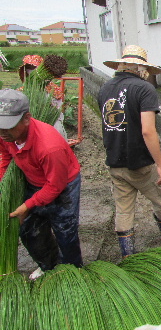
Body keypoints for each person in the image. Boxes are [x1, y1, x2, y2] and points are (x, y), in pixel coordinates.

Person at [98, 45, 161, 258]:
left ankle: (127, 254)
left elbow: (108, 125)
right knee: (160, 198)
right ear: (141, 68)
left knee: (123, 208)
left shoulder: (105, 88)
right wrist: (160, 164)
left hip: (114, 161)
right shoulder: (144, 89)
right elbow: (148, 131)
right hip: (140, 163)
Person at [0, 89, 83, 280]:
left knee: (65, 230)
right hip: (33, 180)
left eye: (8, 126)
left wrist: (28, 205)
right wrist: (4, 185)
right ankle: (48, 265)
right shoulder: (6, 135)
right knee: (28, 229)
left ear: (26, 118)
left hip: (63, 185)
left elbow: (55, 186)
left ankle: (73, 272)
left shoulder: (49, 146)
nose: (3, 132)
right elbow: (6, 156)